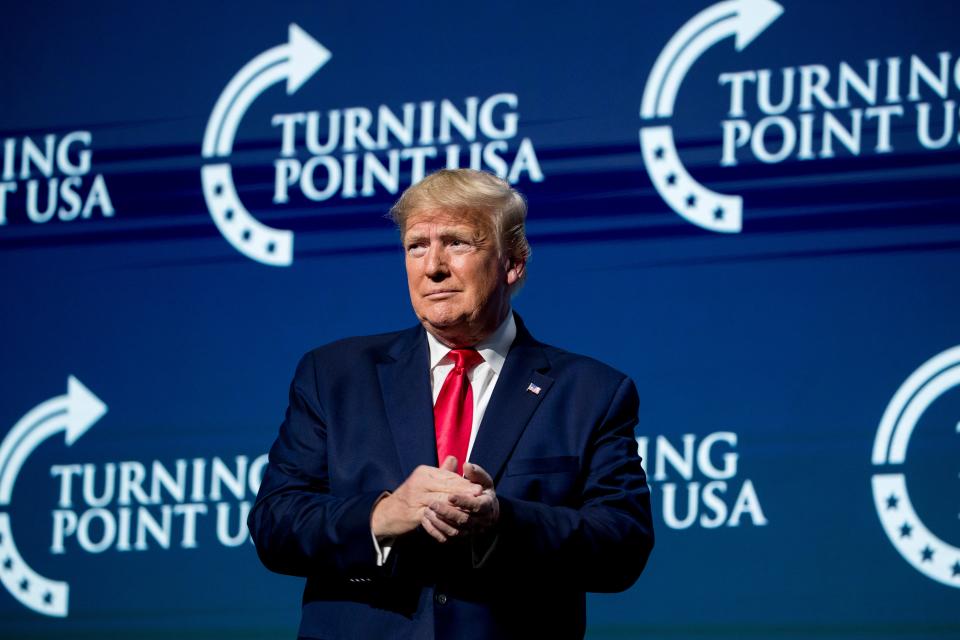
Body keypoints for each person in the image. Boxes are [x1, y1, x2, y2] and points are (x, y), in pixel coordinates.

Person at [248, 169, 654, 640]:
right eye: (417, 246)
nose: (432, 266)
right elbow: (275, 524)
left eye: (457, 243)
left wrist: (504, 520)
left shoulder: (590, 392)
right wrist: (383, 515)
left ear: (513, 262)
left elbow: (623, 546)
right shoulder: (334, 375)